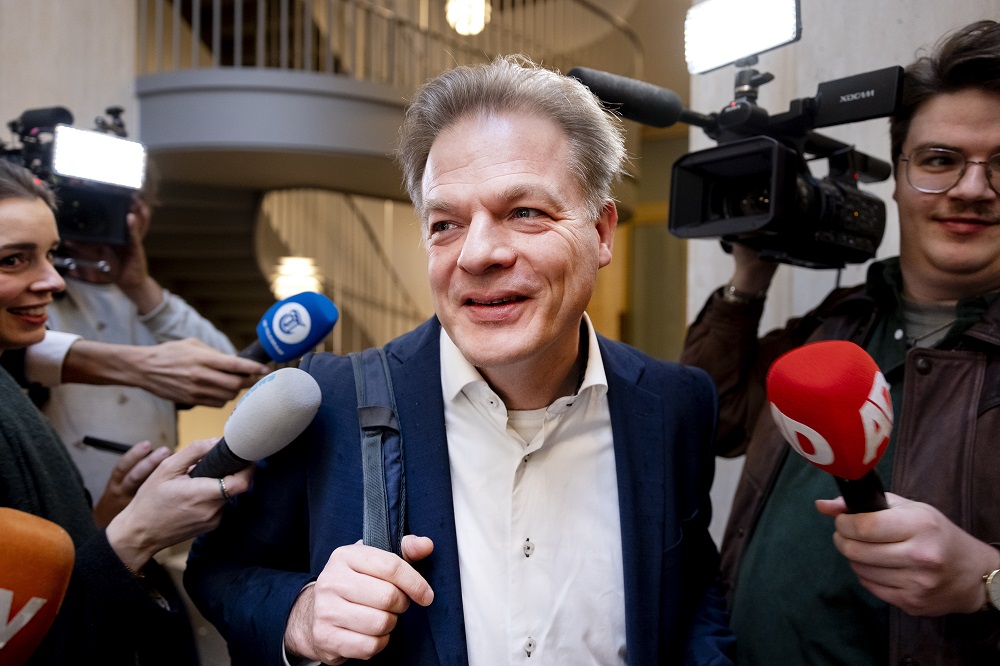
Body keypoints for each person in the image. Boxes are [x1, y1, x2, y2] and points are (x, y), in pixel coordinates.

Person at [184, 55, 734, 665]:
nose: (477, 254)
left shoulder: (675, 404)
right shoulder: (330, 403)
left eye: (524, 213)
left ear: (601, 232)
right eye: (446, 224)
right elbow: (220, 571)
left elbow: (689, 594)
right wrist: (303, 614)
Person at [680, 20, 1000, 665]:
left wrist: (986, 580)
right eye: (940, 160)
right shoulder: (839, 320)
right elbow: (717, 421)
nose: (971, 189)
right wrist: (749, 276)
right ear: (900, 176)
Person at [0, 158, 254, 664]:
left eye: (49, 253)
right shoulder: (29, 337)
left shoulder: (131, 298)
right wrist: (136, 530)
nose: (51, 279)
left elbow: (228, 367)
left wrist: (109, 517)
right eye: (13, 259)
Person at [31, 169, 264, 500]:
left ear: (143, 212)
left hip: (153, 502)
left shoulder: (145, 300)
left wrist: (139, 285)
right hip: (63, 502)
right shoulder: (37, 293)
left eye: (118, 202)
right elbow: (19, 353)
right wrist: (143, 367)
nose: (96, 212)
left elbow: (228, 367)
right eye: (83, 199)